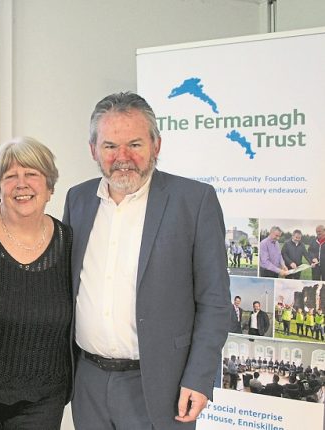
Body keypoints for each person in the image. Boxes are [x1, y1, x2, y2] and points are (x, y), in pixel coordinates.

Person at [63, 92, 231, 429]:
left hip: (160, 385)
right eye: (110, 146)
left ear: (156, 145)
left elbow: (214, 300)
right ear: (93, 149)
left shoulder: (194, 201)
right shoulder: (78, 199)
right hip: (88, 382)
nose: (122, 157)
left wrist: (199, 377)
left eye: (135, 144)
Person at [0, 137, 72, 429]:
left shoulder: (69, 241)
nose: (22, 184)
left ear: (49, 187)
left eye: (32, 174)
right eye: (10, 176)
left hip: (43, 400)